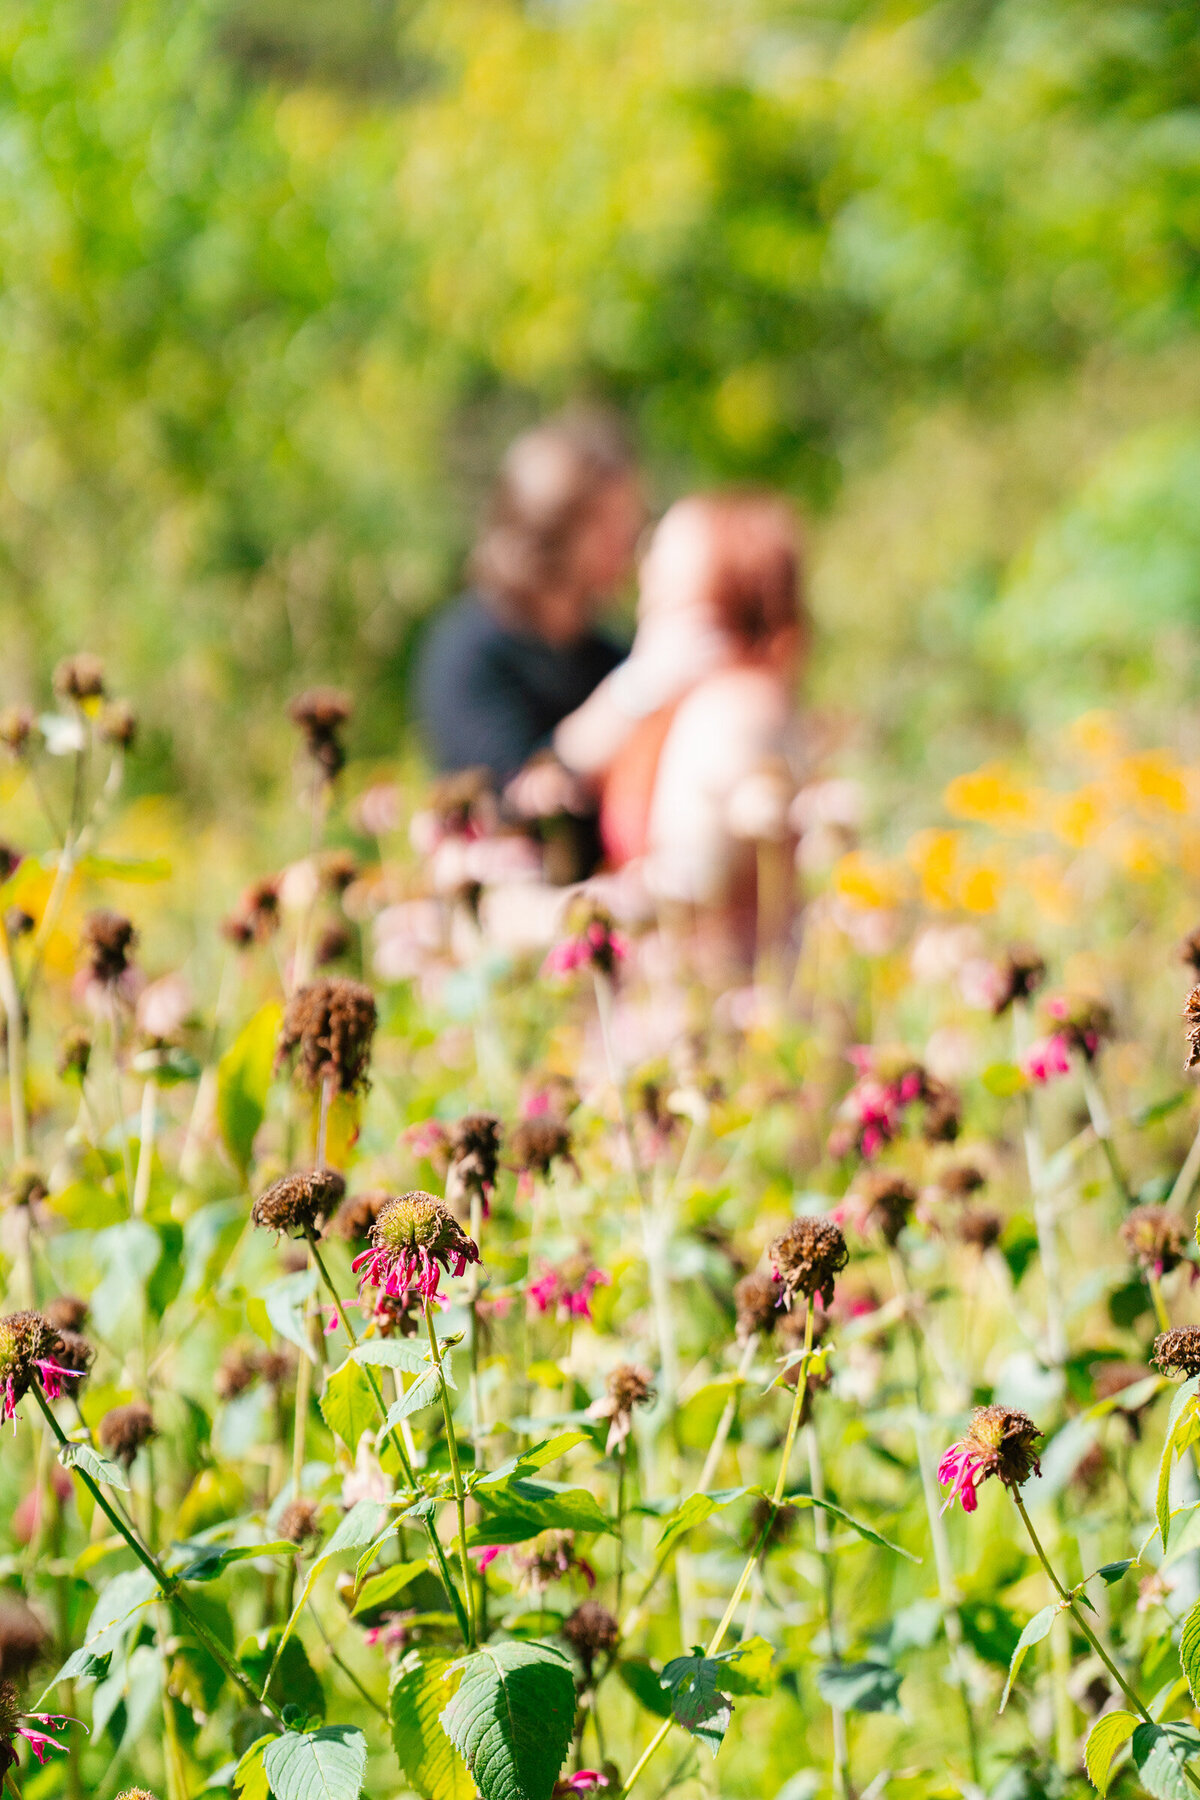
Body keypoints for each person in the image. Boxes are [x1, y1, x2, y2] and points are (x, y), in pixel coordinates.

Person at [555, 492, 806, 945]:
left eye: (663, 546)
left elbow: (694, 879)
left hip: (728, 1001)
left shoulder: (735, 709)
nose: (645, 560)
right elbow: (554, 766)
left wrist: (551, 916)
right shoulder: (686, 695)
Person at [416, 413, 643, 789]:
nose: (628, 538)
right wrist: (637, 691)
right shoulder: (467, 654)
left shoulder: (609, 655)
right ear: (553, 529)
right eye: (610, 522)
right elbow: (514, 791)